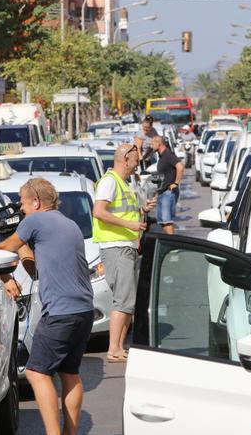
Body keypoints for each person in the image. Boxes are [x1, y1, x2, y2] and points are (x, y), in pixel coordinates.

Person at [0, 178, 93, 435]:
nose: (21, 209)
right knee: (69, 373)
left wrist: (6, 278)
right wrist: (26, 253)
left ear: (36, 202)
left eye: (22, 202)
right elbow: (45, 267)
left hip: (60, 312)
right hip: (83, 310)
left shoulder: (35, 221)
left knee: (37, 373)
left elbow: (1, 250)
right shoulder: (68, 224)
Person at [92, 143, 156, 363]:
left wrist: (142, 210)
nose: (137, 163)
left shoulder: (123, 183)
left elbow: (123, 212)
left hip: (125, 246)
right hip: (116, 247)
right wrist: (130, 226)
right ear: (125, 158)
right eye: (136, 159)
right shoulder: (110, 182)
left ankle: (119, 347)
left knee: (127, 299)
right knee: (122, 300)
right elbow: (99, 211)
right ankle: (113, 349)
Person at [151, 135, 184, 235]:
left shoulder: (168, 155)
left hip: (168, 193)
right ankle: (171, 242)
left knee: (167, 221)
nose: (151, 146)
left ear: (159, 144)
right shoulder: (161, 156)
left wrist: (176, 183)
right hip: (162, 192)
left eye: (152, 144)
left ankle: (173, 245)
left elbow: (180, 167)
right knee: (162, 222)